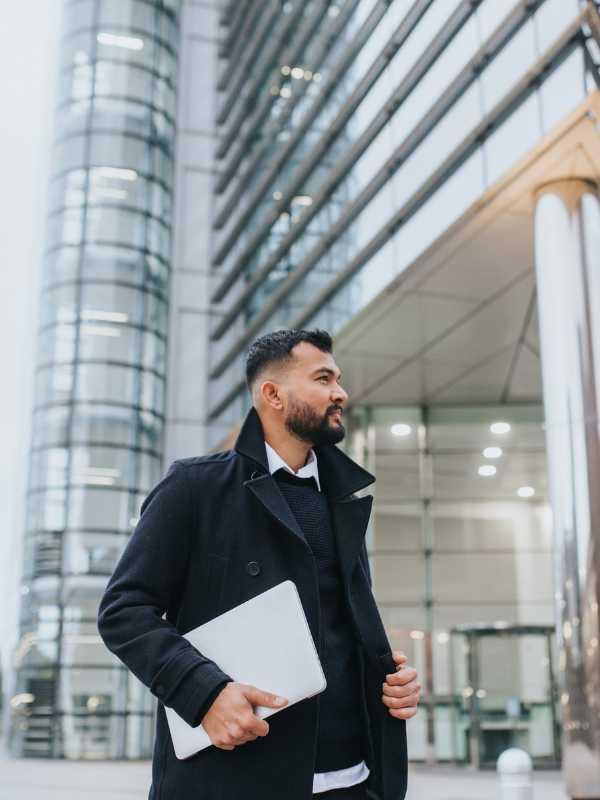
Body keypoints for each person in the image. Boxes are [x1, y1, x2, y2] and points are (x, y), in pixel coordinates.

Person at [97, 328, 420, 800]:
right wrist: (204, 692)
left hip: (354, 781)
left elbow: (338, 632)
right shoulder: (194, 488)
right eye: (324, 378)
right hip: (235, 778)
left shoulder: (341, 499)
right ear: (273, 394)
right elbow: (124, 612)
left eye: (339, 378)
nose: (341, 393)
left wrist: (389, 685)